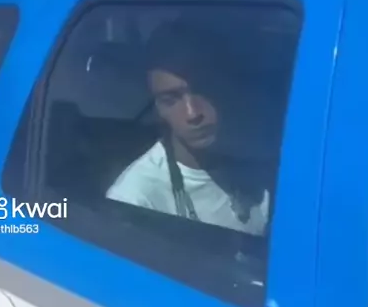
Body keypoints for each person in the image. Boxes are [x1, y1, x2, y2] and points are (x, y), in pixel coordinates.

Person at [106, 19, 270, 235]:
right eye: (170, 99)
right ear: (157, 108)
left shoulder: (263, 157)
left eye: (202, 90)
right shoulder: (137, 198)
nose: (193, 114)